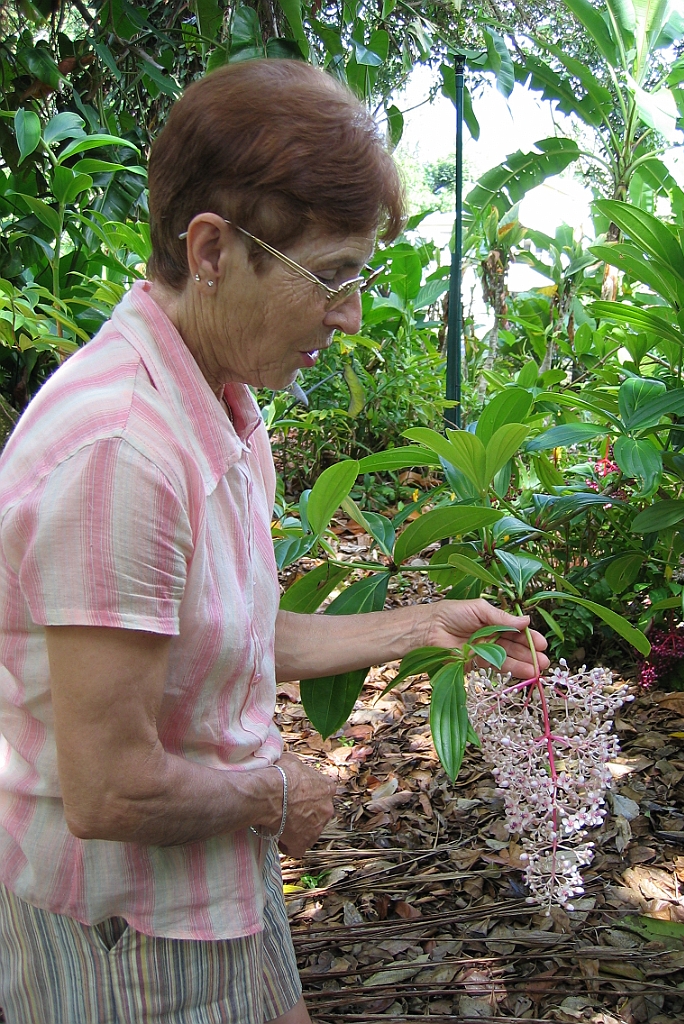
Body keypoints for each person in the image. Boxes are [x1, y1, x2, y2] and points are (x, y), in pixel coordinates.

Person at [0, 59, 549, 1024]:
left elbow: (229, 639)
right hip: (127, 928)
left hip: (212, 886)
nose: (350, 314)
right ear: (211, 249)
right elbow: (110, 789)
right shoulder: (122, 454)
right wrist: (277, 797)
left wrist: (427, 628)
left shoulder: (216, 402)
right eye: (331, 276)